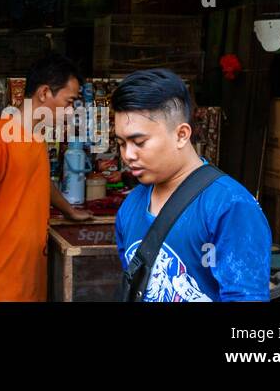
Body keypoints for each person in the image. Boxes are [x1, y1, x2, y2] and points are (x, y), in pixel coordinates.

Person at [112, 68, 271, 302]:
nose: (128, 155)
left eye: (139, 142)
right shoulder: (130, 206)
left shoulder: (229, 206)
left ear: (181, 135)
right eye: (121, 143)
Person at [0, 53, 91, 302]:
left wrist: (69, 210)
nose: (69, 111)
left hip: (30, 279)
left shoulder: (35, 137)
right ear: (44, 93)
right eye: (69, 101)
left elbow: (39, 180)